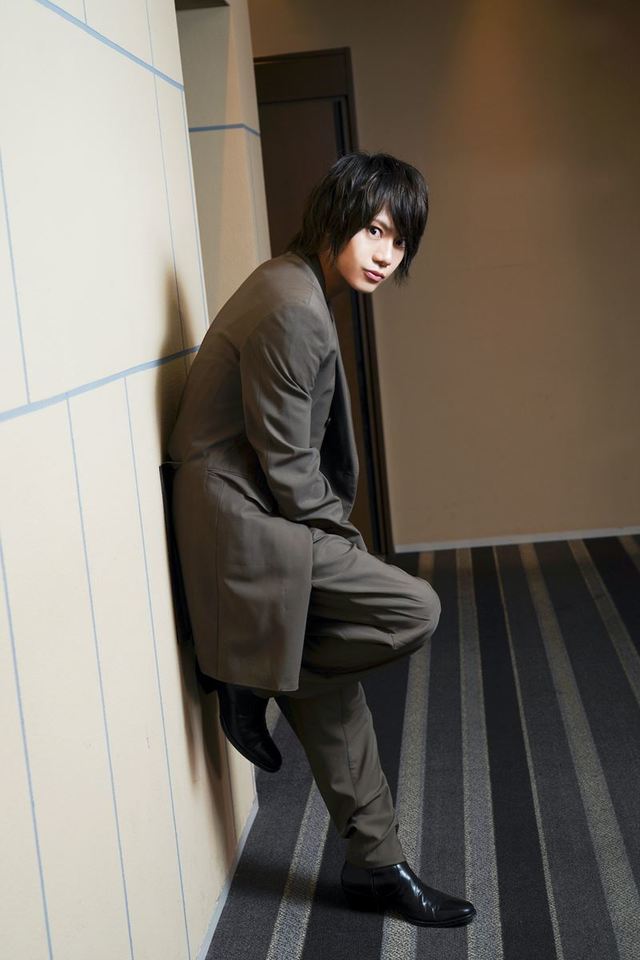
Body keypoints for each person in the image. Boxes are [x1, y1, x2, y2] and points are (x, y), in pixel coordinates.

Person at [166, 152, 476, 928]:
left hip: (257, 511)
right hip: (241, 524)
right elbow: (292, 469)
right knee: (414, 609)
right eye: (374, 230)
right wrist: (352, 550)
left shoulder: (296, 283)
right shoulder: (293, 307)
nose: (385, 254)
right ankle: (252, 670)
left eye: (399, 241)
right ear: (336, 215)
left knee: (322, 677)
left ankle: (376, 865)